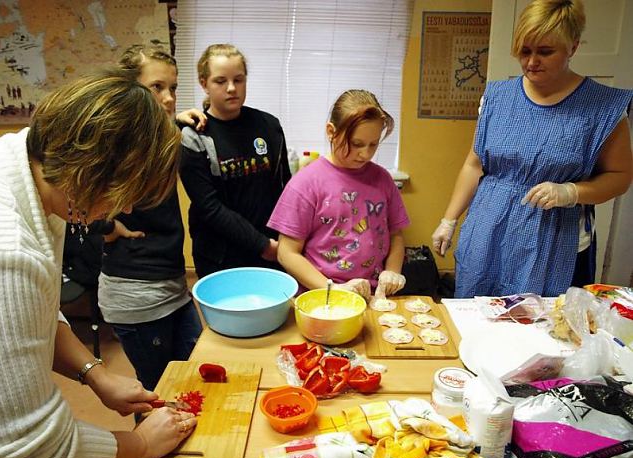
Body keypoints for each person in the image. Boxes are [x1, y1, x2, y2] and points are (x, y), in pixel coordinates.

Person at [0, 71, 197, 458]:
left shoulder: (30, 168)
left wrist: (95, 373)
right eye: (122, 193)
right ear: (89, 171)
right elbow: (27, 452)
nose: (123, 210)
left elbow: (33, 315)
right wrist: (140, 444)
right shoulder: (11, 254)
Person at [432, 0, 633, 298]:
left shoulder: (602, 108)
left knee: (543, 328)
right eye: (525, 51)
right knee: (480, 320)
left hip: (554, 238)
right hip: (489, 231)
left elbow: (620, 176)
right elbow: (475, 164)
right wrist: (448, 219)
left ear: (573, 48)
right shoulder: (497, 98)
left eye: (545, 51)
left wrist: (571, 192)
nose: (531, 62)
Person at [97, 44, 205, 392]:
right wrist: (107, 227)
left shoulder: (154, 135)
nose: (169, 97)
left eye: (172, 88)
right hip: (137, 296)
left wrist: (173, 119)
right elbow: (69, 198)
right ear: (127, 88)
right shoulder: (113, 143)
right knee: (158, 394)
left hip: (172, 288)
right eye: (156, 88)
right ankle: (149, 448)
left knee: (191, 380)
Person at [268, 89, 410, 301]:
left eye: (373, 144)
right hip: (321, 296)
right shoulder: (306, 183)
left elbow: (396, 235)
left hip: (372, 295)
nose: (366, 154)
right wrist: (333, 290)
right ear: (331, 131)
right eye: (357, 144)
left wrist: (392, 272)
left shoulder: (382, 179)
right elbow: (286, 253)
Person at [179, 43, 291, 278]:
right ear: (204, 83)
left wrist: (286, 243)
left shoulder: (269, 126)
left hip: (271, 251)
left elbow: (285, 189)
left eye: (238, 80)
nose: (232, 88)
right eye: (220, 81)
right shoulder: (194, 136)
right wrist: (262, 245)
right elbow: (209, 208)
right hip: (220, 256)